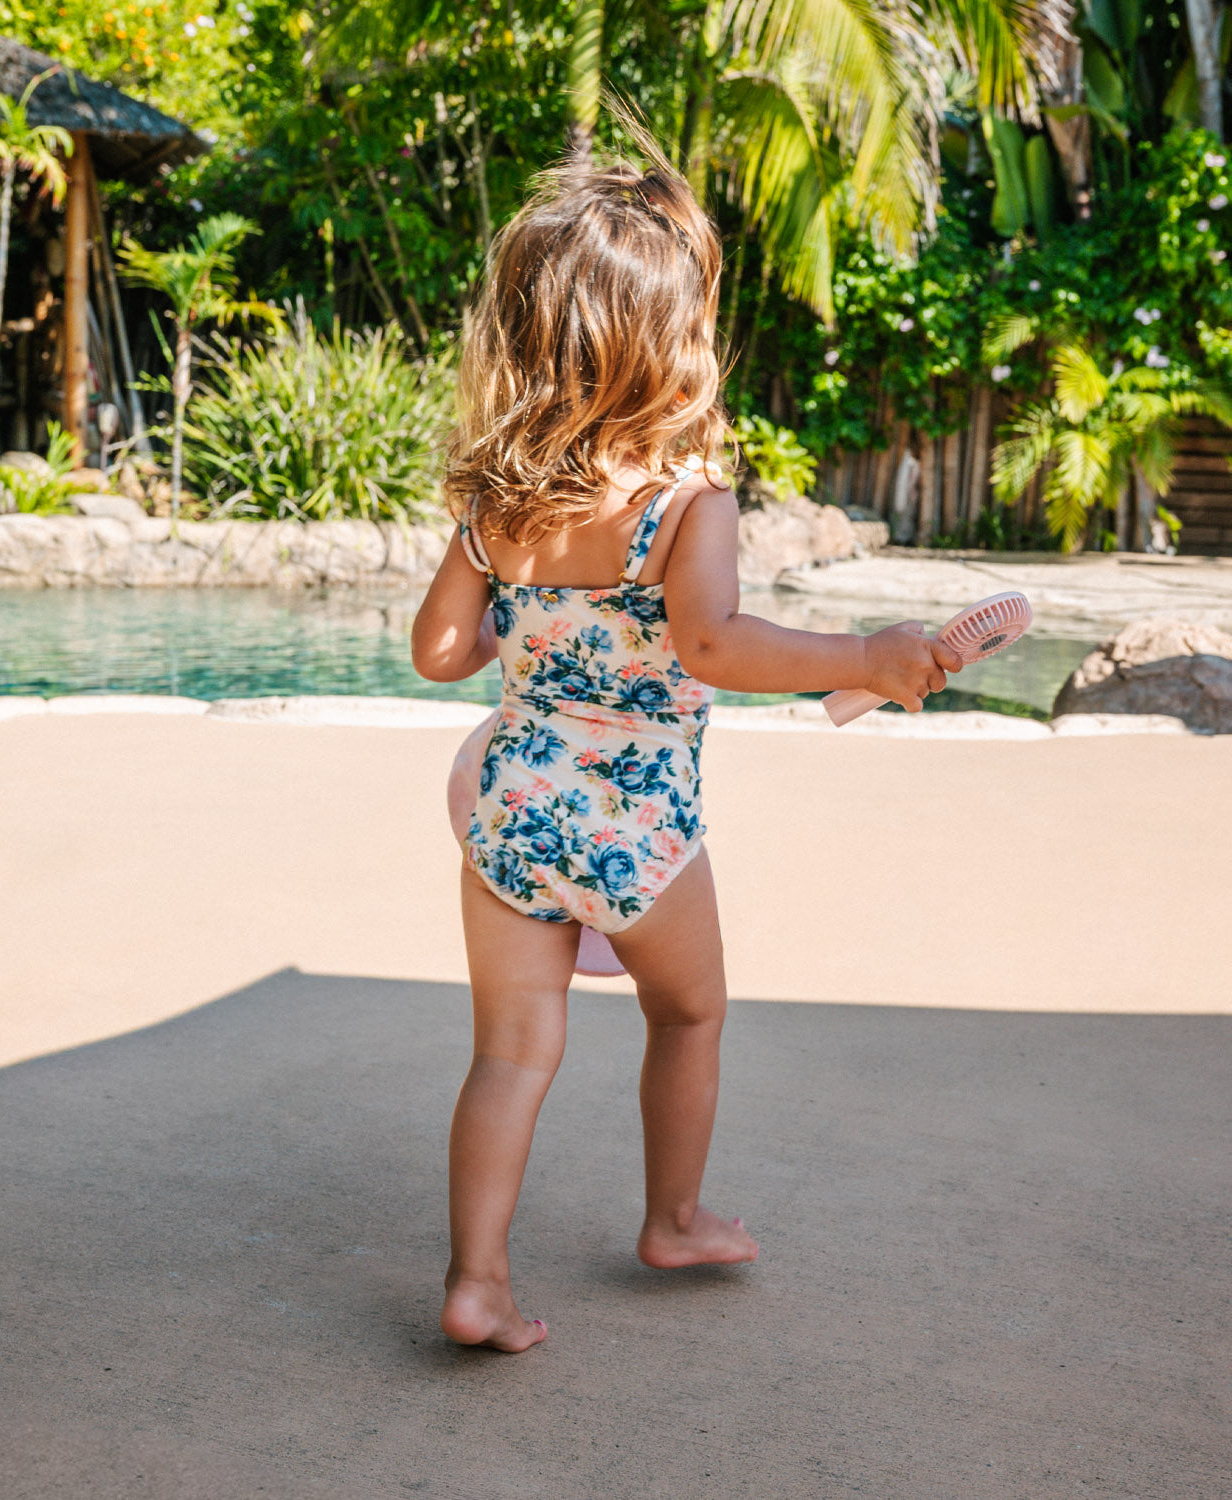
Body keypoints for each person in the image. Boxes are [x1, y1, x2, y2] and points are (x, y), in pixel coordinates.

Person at [411, 134, 962, 1354]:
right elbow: (713, 647)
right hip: (636, 822)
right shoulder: (684, 507)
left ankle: (476, 1281)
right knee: (688, 1016)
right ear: (665, 351)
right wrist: (864, 656)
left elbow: (439, 654)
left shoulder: (494, 506)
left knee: (509, 1053)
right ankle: (672, 1217)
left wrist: (520, 619)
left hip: (510, 812)